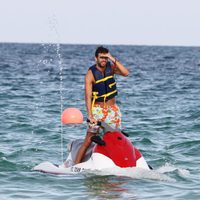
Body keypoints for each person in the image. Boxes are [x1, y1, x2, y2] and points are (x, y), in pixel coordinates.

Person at [74, 46, 129, 164]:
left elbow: (126, 73)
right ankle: (75, 165)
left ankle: (116, 162)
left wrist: (111, 58)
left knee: (115, 138)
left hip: (112, 110)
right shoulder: (90, 74)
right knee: (89, 139)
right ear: (96, 58)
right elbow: (88, 97)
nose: (104, 60)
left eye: (105, 57)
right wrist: (90, 116)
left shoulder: (111, 68)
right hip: (98, 110)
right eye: (101, 57)